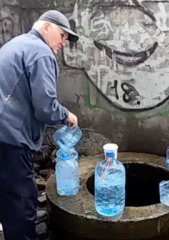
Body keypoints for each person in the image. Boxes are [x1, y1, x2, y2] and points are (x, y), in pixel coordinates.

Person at [0, 10, 79, 240]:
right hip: (9, 139)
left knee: (6, 198)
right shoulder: (41, 53)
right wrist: (66, 116)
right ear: (46, 27)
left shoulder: (16, 44)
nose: (63, 43)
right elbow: (45, 107)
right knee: (22, 203)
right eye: (62, 35)